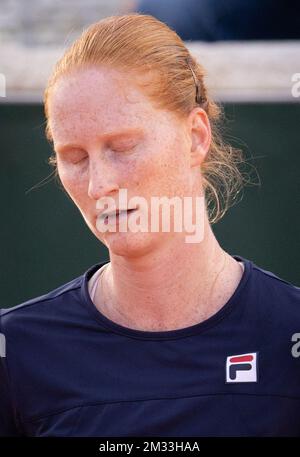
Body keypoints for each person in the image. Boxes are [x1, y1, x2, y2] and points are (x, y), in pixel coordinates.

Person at [0, 13, 299, 437]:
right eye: (75, 158)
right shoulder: (16, 353)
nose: (101, 184)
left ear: (196, 136)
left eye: (123, 147)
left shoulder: (288, 337)